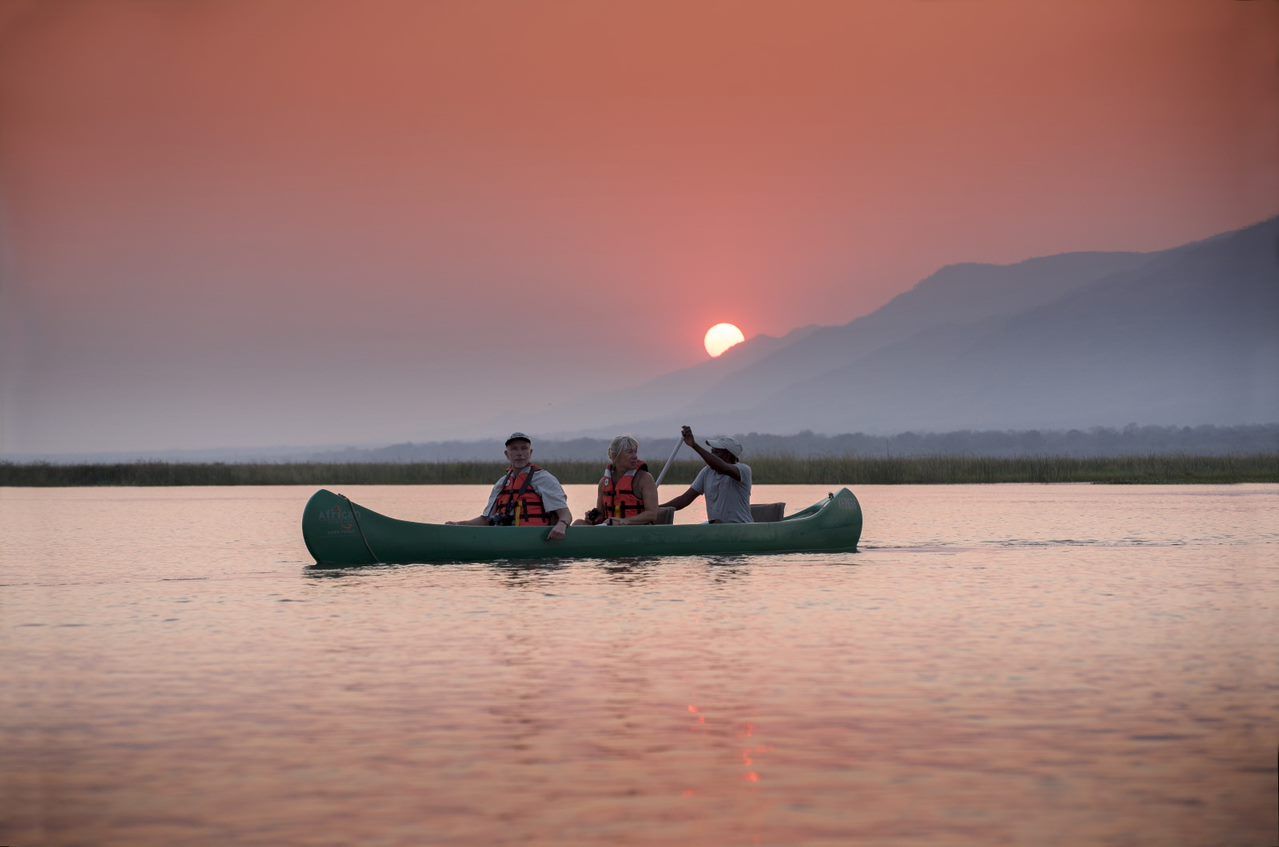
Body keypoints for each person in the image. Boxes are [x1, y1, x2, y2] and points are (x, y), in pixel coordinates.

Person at [446, 432, 572, 540]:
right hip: (504, 537)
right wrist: (458, 524)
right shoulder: (501, 483)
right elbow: (485, 520)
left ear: (530, 452)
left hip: (536, 538)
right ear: (507, 454)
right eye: (514, 449)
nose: (519, 453)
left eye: (524, 448)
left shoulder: (544, 479)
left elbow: (566, 514)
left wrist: (561, 525)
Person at [660, 426, 753, 523]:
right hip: (716, 527)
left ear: (727, 455)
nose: (711, 454)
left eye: (715, 452)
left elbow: (723, 467)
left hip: (740, 526)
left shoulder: (744, 470)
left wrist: (694, 445)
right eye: (711, 451)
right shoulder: (707, 471)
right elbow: (685, 499)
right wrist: (656, 508)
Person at [575, 435, 661, 526]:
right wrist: (592, 516)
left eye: (635, 452)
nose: (635, 456)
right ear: (615, 456)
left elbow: (652, 514)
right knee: (578, 523)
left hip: (636, 530)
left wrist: (625, 521)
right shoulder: (603, 483)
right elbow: (601, 514)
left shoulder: (645, 479)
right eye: (629, 452)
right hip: (610, 529)